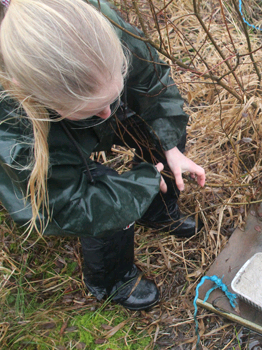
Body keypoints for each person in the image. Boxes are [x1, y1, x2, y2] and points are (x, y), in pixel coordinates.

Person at [0, 0, 205, 311]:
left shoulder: (96, 25)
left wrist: (170, 148)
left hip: (69, 99)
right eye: (93, 108)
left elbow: (152, 81)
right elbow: (64, 204)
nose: (108, 114)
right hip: (41, 129)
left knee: (160, 130)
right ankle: (112, 279)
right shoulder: (11, 119)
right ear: (30, 92)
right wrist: (134, 189)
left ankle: (157, 211)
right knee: (108, 198)